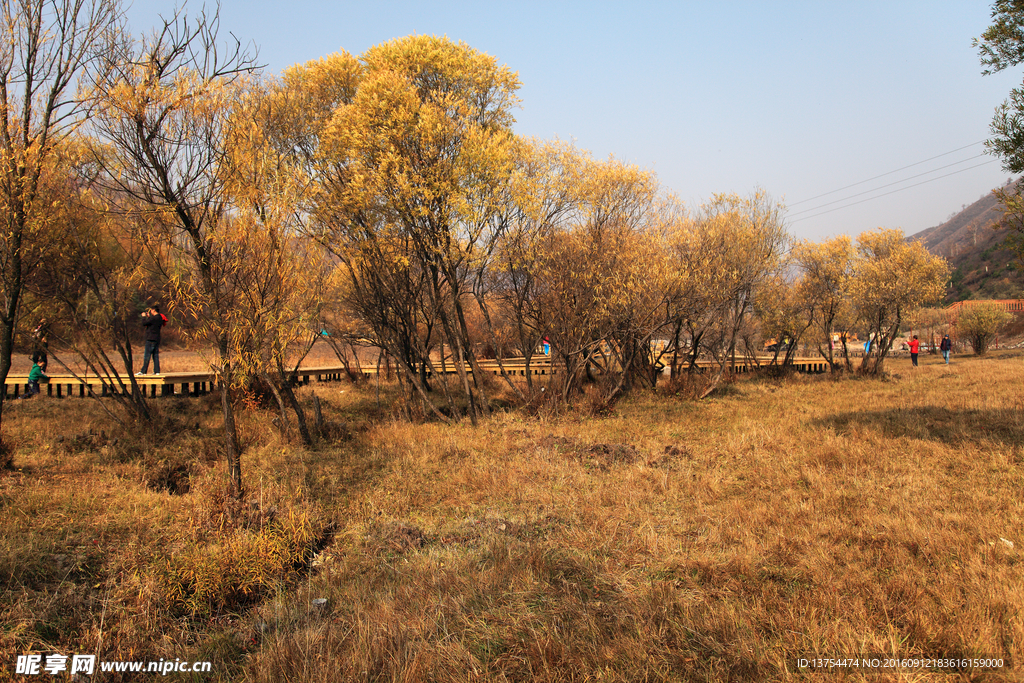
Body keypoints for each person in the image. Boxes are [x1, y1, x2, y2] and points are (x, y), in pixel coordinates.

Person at [138, 304, 167, 375]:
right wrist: (149, 317)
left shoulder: (154, 318)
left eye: (151, 310)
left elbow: (144, 323)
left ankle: (143, 371)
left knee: (147, 355)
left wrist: (144, 317)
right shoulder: (160, 318)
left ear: (153, 310)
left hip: (150, 338)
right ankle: (157, 371)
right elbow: (152, 322)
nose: (150, 311)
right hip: (157, 338)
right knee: (155, 356)